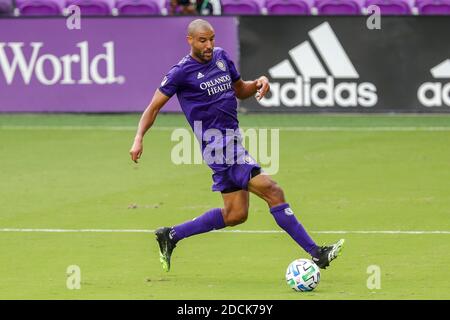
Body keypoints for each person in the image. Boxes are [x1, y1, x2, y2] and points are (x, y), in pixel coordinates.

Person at [129, 19, 344, 273]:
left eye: (211, 39)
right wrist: (139, 137)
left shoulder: (221, 58)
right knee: (273, 191)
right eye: (202, 40)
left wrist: (259, 83)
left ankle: (171, 235)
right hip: (218, 147)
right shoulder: (180, 72)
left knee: (236, 214)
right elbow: (153, 107)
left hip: (233, 142)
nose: (209, 45)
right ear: (190, 41)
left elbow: (240, 90)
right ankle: (317, 253)